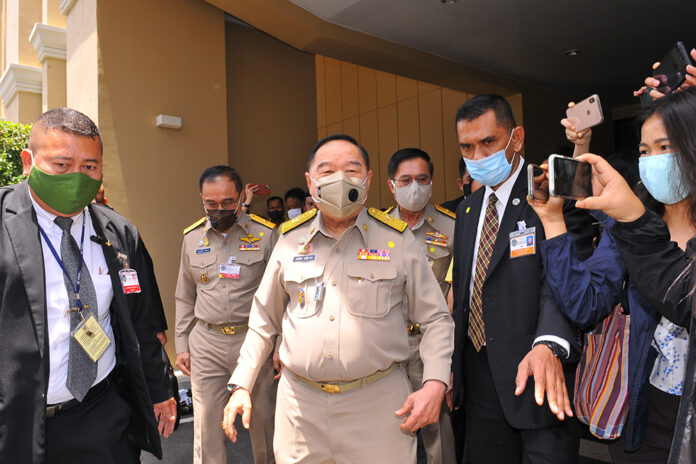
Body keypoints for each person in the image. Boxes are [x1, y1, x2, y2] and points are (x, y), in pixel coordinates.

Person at [222, 134, 454, 464]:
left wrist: (434, 382)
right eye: (327, 171)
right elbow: (263, 321)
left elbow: (436, 320)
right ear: (310, 181)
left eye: (352, 169)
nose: (340, 179)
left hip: (379, 408)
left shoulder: (397, 241)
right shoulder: (289, 240)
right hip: (300, 413)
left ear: (368, 180)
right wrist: (242, 384)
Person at [0, 107, 177, 463]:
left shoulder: (119, 233)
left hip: (102, 415)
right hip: (16, 424)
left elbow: (144, 321)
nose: (77, 178)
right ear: (27, 162)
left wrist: (161, 389)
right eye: (61, 164)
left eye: (89, 167)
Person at [530, 93, 696, 462]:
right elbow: (584, 303)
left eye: (665, 147)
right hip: (644, 415)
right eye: (644, 151)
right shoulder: (631, 224)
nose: (653, 161)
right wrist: (553, 222)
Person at [450, 94, 582, 464]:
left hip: (538, 371)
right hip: (477, 377)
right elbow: (464, 289)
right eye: (467, 147)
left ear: (517, 138)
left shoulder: (551, 195)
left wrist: (549, 344)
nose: (477, 156)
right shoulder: (467, 210)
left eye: (488, 142)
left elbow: (563, 281)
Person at [175, 166, 278, 464]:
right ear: (202, 200)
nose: (219, 210)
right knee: (207, 428)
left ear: (240, 196)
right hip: (207, 342)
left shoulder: (266, 235)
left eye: (227, 203)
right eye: (211, 204)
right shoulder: (192, 238)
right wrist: (182, 344)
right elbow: (184, 294)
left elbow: (279, 296)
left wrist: (280, 344)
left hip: (255, 340)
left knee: (264, 423)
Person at [385, 147, 456, 464]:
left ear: (431, 182)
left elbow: (458, 292)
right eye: (406, 179)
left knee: (437, 432)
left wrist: (449, 363)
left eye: (421, 179)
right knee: (388, 428)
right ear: (391, 185)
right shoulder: (376, 230)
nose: (414, 187)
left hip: (431, 344)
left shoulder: (453, 228)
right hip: (387, 345)